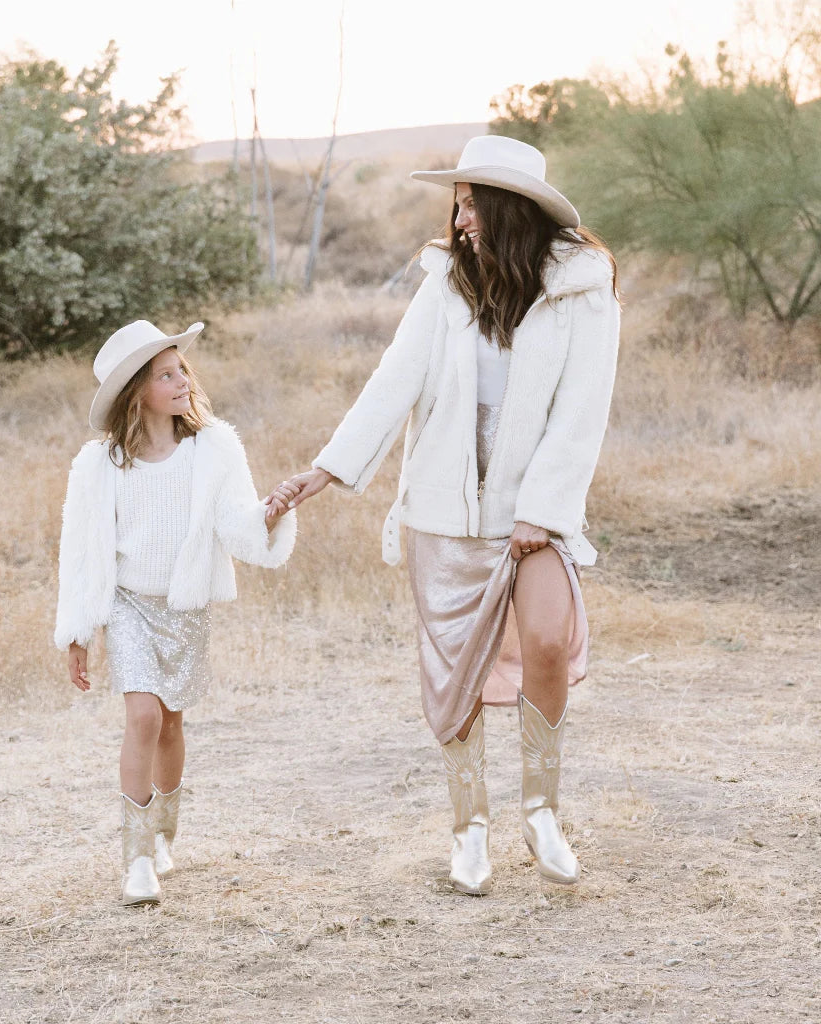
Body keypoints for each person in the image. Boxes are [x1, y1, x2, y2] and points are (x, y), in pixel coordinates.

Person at [276, 136, 620, 893]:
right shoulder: (445, 286)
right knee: (454, 676)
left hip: (531, 517)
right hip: (440, 512)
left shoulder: (585, 291)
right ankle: (469, 829)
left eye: (470, 204)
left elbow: (583, 412)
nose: (460, 219)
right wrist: (327, 469)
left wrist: (543, 510)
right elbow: (393, 380)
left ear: (509, 210)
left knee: (548, 646)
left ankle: (542, 812)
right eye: (457, 203)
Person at [54, 319, 296, 906]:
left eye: (181, 369)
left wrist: (271, 512)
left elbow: (237, 522)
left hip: (184, 607)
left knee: (170, 723)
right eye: (166, 374)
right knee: (141, 718)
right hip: (129, 604)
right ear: (137, 390)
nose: (182, 380)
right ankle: (136, 859)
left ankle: (164, 834)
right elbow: (82, 550)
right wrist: (78, 630)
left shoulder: (212, 448)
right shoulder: (99, 465)